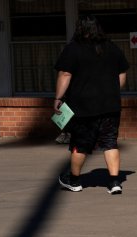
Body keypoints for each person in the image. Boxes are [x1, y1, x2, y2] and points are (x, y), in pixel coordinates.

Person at [54, 15, 129, 195]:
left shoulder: (73, 49)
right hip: (110, 104)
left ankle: (74, 180)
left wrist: (58, 98)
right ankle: (114, 182)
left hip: (83, 106)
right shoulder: (112, 48)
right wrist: (110, 91)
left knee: (81, 144)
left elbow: (65, 75)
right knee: (110, 142)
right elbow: (122, 74)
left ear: (79, 28)